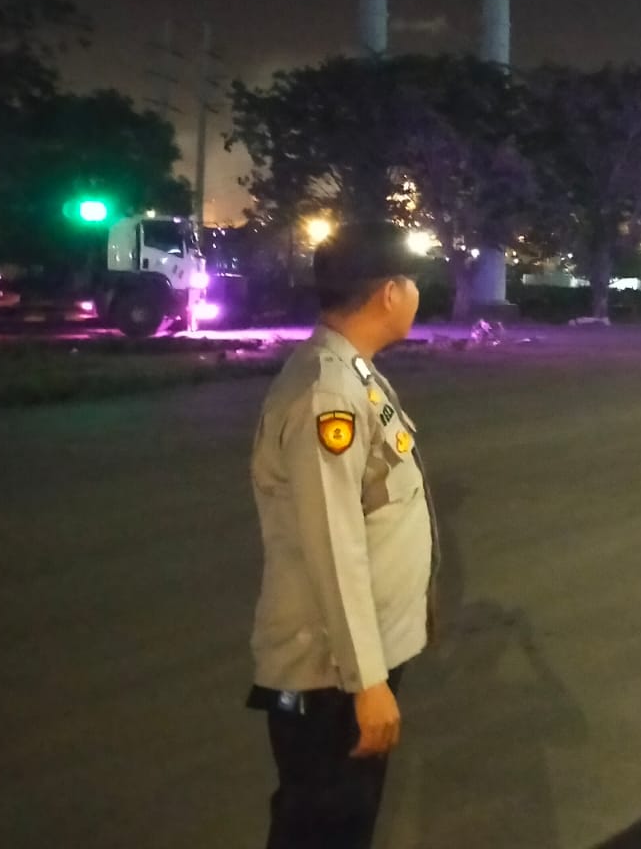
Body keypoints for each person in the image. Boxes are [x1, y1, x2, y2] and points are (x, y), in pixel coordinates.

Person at [245, 222, 438, 849]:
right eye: (413, 283)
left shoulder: (353, 372)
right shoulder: (327, 392)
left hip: (353, 661)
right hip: (330, 673)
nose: (418, 296)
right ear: (389, 292)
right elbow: (333, 543)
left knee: (341, 821)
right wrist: (367, 682)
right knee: (323, 825)